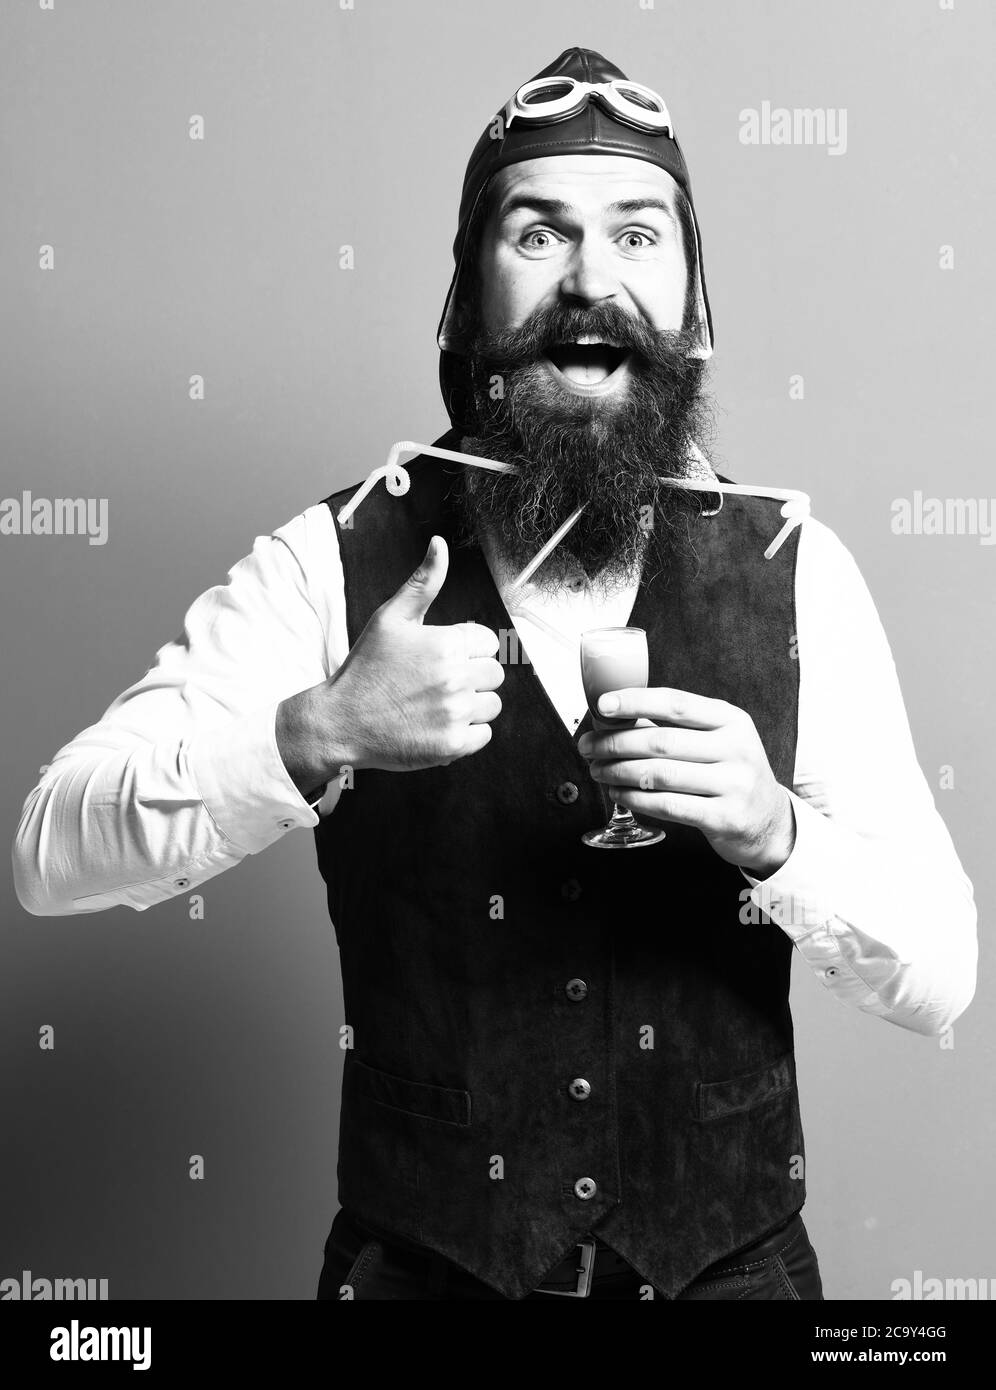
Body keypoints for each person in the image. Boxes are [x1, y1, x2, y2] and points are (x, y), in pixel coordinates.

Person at [12, 48, 977, 1301]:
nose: (593, 281)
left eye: (638, 236)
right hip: (421, 1273)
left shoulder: (794, 570)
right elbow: (48, 854)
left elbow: (944, 977)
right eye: (540, 232)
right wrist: (310, 732)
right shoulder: (333, 559)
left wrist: (777, 831)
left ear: (693, 304)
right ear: (470, 295)